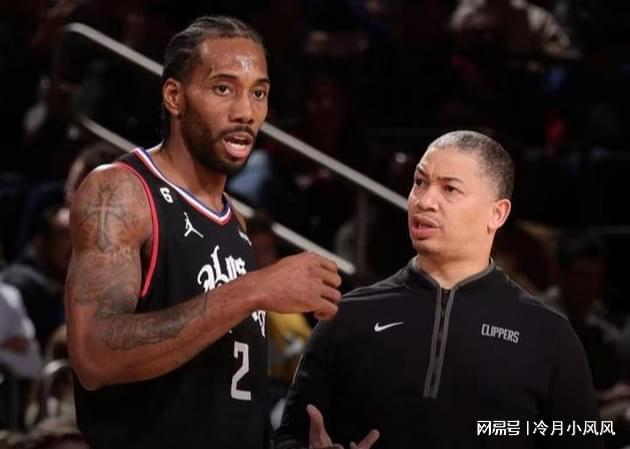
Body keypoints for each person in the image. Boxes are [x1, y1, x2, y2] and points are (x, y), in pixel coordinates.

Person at [64, 16, 341, 449]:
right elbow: (94, 356)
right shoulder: (122, 191)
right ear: (174, 96)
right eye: (223, 88)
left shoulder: (237, 224)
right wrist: (252, 290)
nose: (245, 112)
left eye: (258, 93)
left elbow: (222, 403)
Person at [274, 130, 603, 449]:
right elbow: (290, 437)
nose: (425, 200)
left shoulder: (548, 335)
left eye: (450, 189)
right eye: (419, 182)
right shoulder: (346, 316)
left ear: (497, 213)